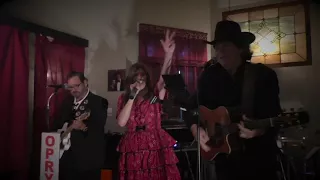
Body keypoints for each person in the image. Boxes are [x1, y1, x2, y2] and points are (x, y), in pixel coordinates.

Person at [184, 20, 282, 180]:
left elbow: (275, 116)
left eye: (226, 45)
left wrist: (259, 130)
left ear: (241, 47)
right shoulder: (209, 76)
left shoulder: (263, 75)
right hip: (224, 163)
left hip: (258, 161)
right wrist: (196, 129)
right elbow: (191, 108)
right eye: (217, 47)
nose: (220, 51)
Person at [116, 30, 181, 180]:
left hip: (153, 142)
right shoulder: (124, 98)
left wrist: (168, 55)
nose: (140, 81)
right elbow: (121, 122)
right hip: (133, 145)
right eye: (136, 78)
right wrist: (132, 97)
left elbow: (163, 79)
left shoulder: (154, 94)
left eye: (142, 77)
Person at [52, 72, 107, 180]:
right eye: (70, 87)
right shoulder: (66, 102)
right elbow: (58, 123)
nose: (73, 90)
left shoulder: (99, 101)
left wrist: (83, 127)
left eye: (77, 86)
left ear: (85, 83)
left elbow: (98, 127)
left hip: (89, 159)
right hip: (67, 158)